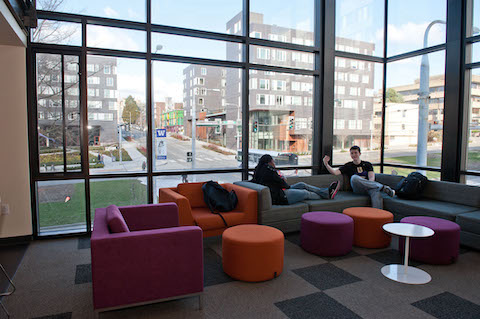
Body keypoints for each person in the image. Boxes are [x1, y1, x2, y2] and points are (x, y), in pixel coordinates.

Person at [323, 145, 395, 209]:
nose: (354, 155)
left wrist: (370, 184)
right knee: (354, 177)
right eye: (352, 153)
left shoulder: (367, 164)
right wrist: (326, 164)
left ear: (359, 153)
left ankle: (378, 215)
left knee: (375, 190)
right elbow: (335, 172)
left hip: (368, 187)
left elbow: (371, 178)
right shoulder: (348, 165)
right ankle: (383, 187)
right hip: (357, 188)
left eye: (355, 153)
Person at [252, 154, 340, 205]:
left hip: (279, 192)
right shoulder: (269, 169)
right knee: (305, 193)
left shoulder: (259, 170)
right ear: (270, 162)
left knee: (302, 184)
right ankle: (327, 194)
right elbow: (284, 185)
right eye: (273, 161)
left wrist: (282, 181)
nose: (274, 163)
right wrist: (282, 179)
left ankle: (326, 192)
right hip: (281, 197)